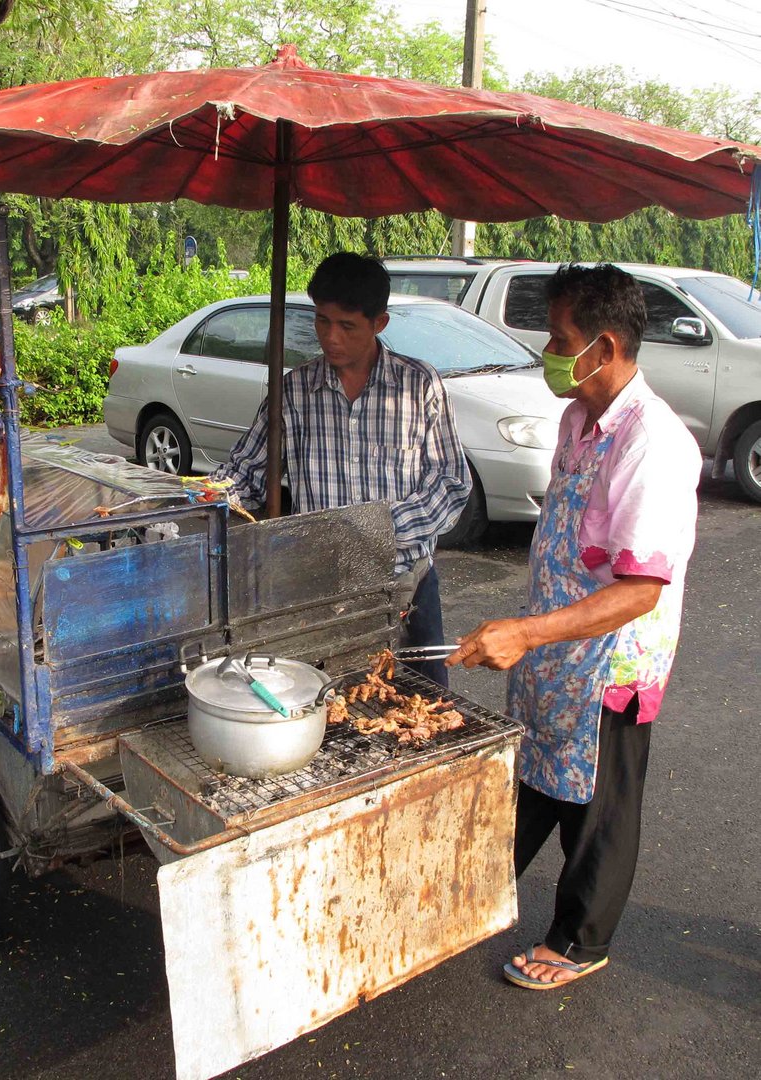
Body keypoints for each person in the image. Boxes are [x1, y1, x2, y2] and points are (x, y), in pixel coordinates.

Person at [447, 263, 701, 990]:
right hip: (556, 650)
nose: (549, 351)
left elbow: (640, 591)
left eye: (561, 338)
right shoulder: (576, 419)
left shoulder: (654, 443)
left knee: (599, 808)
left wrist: (526, 634)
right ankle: (478, 895)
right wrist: (532, 636)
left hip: (613, 664)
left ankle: (580, 941)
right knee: (538, 776)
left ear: (608, 345)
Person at [213, 252, 470, 685]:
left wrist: (374, 530)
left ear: (379, 323)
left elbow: (450, 483)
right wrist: (198, 496)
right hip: (321, 586)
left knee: (423, 706)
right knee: (328, 703)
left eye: (347, 326)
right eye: (321, 321)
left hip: (406, 583)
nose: (330, 337)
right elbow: (247, 472)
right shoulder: (294, 391)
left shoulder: (418, 385)